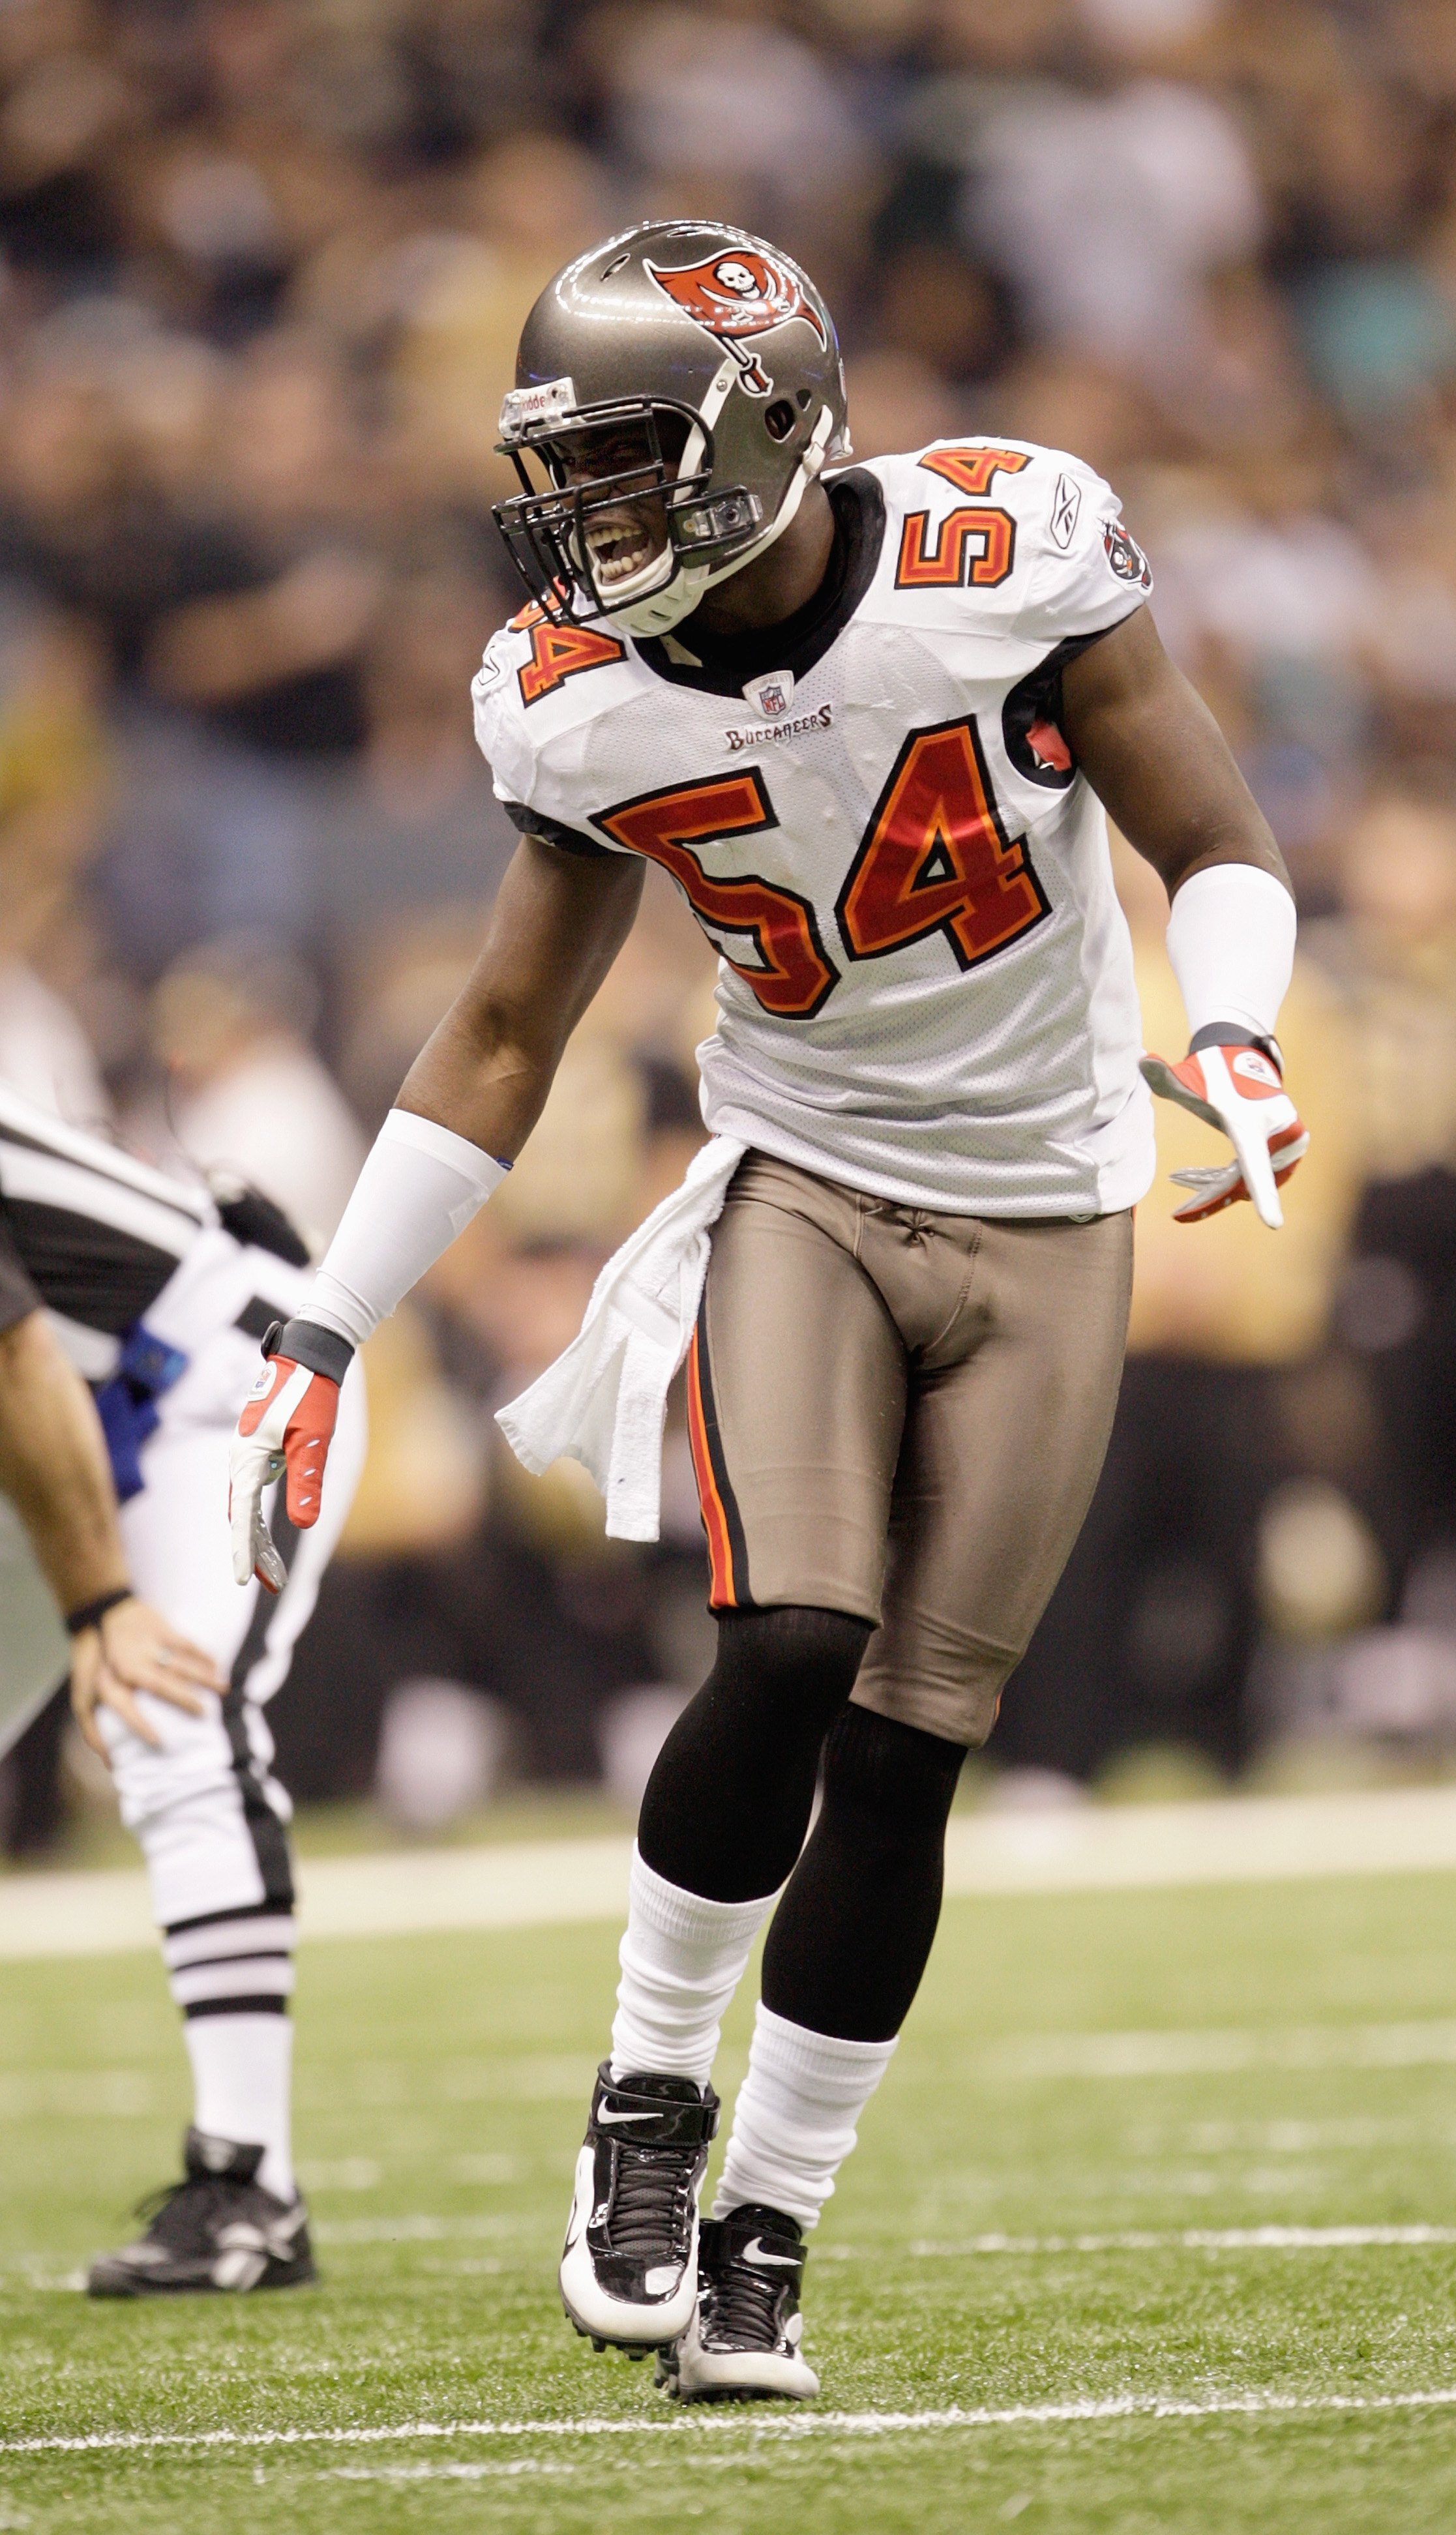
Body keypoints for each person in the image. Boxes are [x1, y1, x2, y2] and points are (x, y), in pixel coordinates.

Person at [227, 220, 1304, 2401]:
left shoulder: (1006, 548)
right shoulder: (571, 690)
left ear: (773, 427)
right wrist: (328, 1318)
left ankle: (768, 2230)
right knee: (791, 1636)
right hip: (803, 1172)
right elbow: (508, 1031)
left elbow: (1209, 822)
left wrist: (1250, 1026)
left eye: (632, 458)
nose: (589, 513)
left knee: (909, 1750)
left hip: (1052, 1207)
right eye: (573, 465)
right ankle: (645, 2095)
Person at [0, 1083, 366, 2293]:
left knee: (173, 1714)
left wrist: (101, 1604)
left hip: (222, 1384)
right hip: (79, 1412)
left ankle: (248, 2181)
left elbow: (17, 1360)